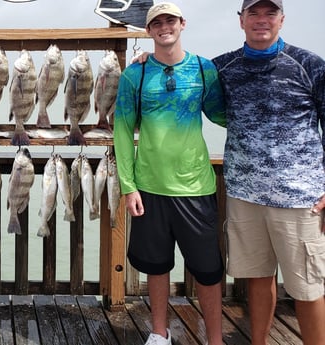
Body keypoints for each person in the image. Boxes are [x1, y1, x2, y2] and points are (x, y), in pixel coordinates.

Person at [113, 3, 227, 345]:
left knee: (208, 272)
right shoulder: (136, 74)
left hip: (196, 186)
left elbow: (222, 116)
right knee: (156, 265)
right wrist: (127, 186)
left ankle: (216, 340)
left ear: (182, 24)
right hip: (149, 187)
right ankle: (159, 334)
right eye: (157, 23)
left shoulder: (204, 69)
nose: (165, 27)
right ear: (148, 31)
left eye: (170, 20)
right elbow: (122, 129)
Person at [212, 1, 325, 344]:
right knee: (257, 279)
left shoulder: (310, 66)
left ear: (282, 20)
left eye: (270, 13)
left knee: (307, 288)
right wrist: (144, 60)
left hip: (301, 199)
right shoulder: (223, 67)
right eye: (254, 14)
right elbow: (183, 72)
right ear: (241, 20)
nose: (262, 21)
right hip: (244, 195)